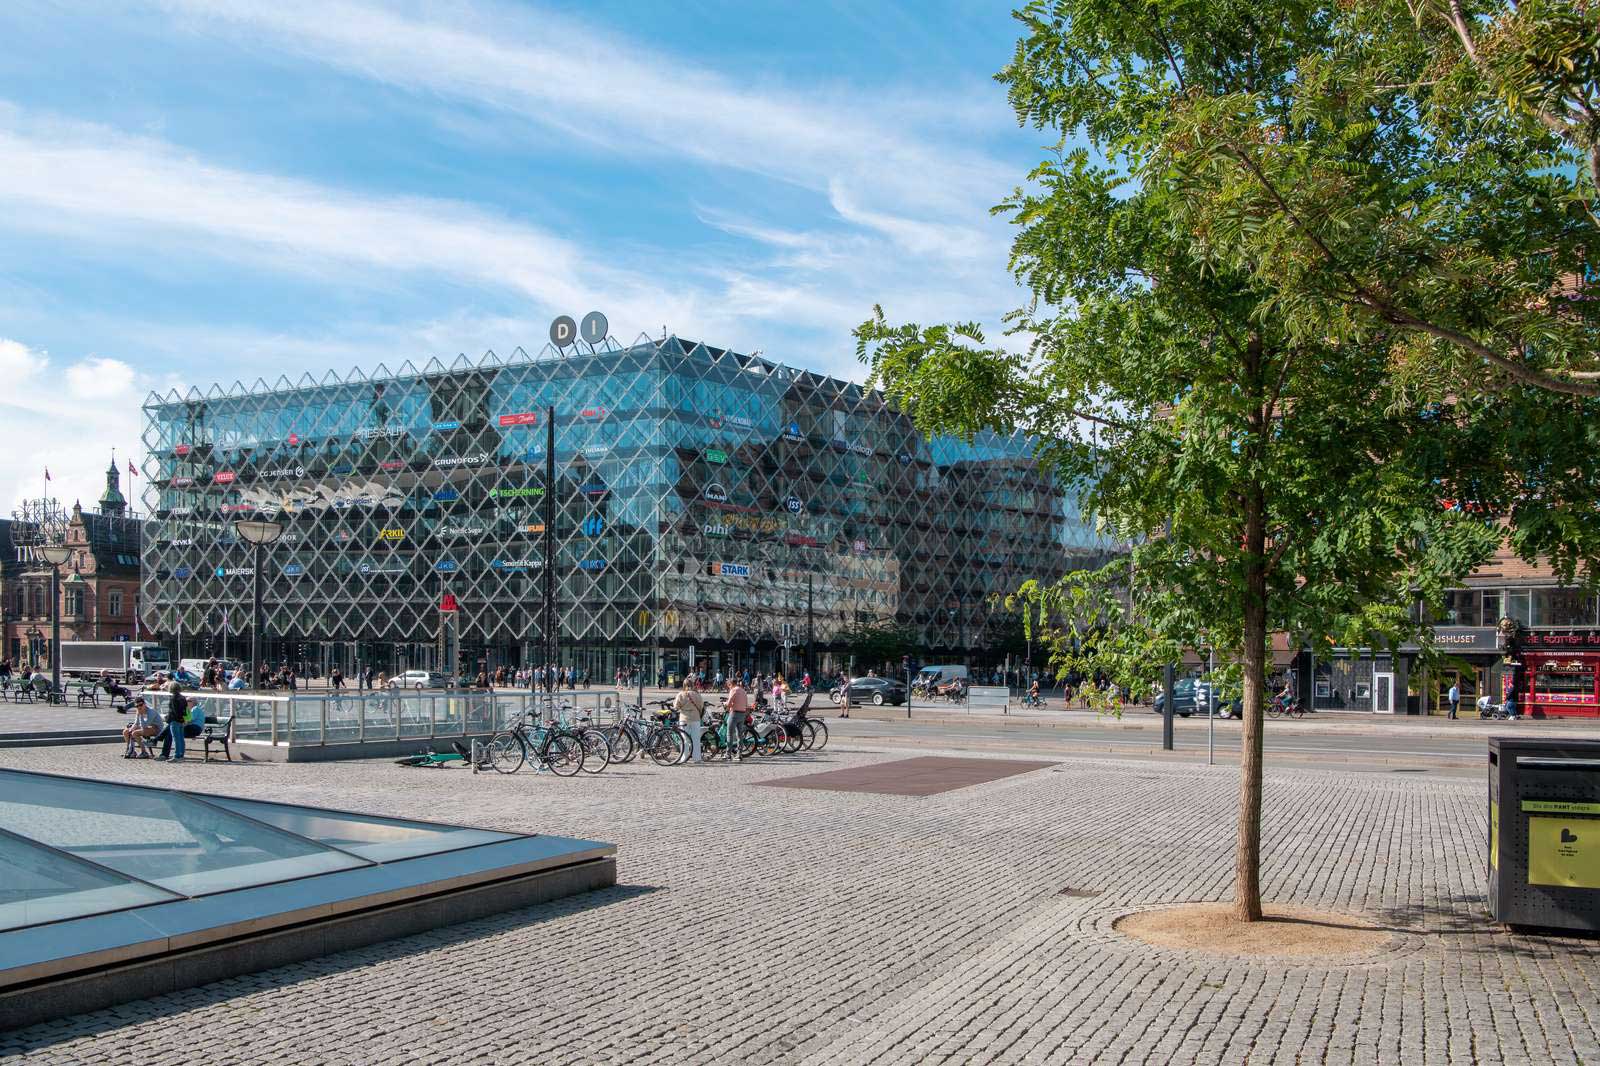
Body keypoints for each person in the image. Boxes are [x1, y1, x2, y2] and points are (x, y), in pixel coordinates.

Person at [675, 678, 706, 762]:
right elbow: (701, 706)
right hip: (695, 718)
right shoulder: (697, 694)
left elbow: (676, 706)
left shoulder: (681, 694)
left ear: (684, 685)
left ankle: (684, 758)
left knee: (684, 739)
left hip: (684, 718)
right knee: (696, 739)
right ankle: (697, 758)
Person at [726, 677, 750, 761]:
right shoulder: (743, 691)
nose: (729, 687)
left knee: (730, 734)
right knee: (740, 735)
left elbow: (729, 703)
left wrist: (726, 705)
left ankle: (728, 754)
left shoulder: (733, 690)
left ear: (731, 684)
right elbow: (746, 704)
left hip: (734, 714)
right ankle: (739, 754)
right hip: (742, 714)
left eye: (729, 685)